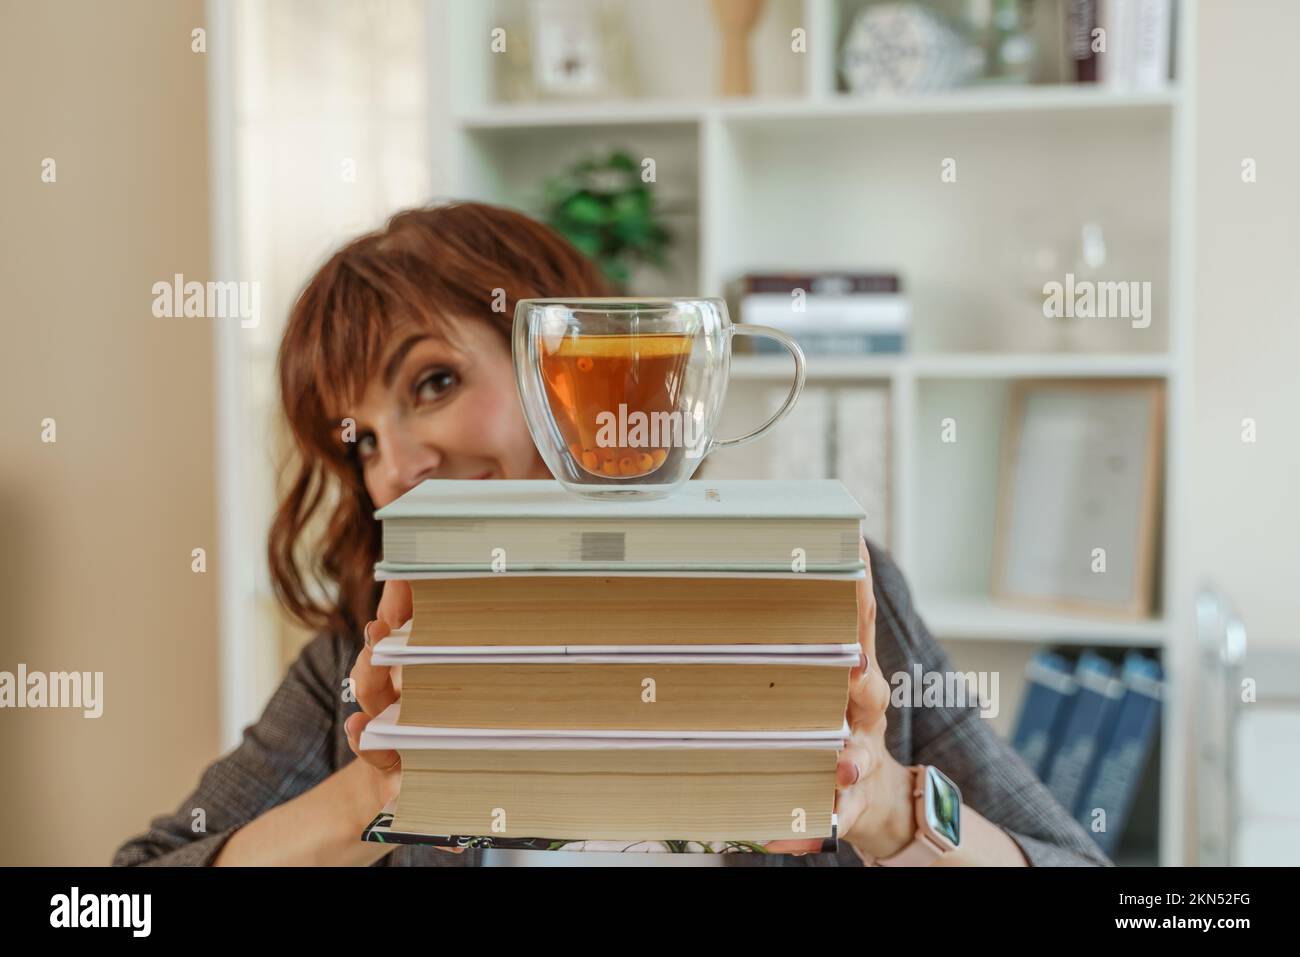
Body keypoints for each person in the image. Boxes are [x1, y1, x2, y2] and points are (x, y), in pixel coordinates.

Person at [113, 201, 1109, 867]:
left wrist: (891, 809)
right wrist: (375, 791)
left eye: (434, 383)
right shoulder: (361, 663)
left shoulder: (829, 595)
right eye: (361, 438)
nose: (398, 464)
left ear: (573, 357)